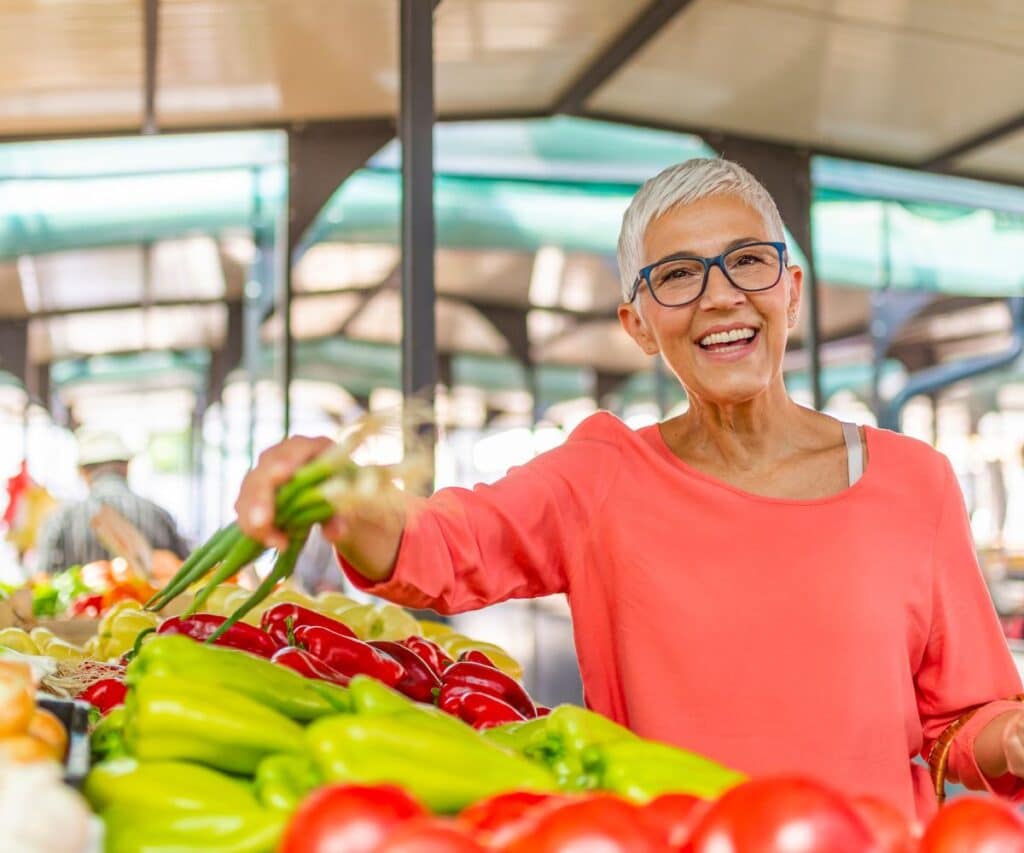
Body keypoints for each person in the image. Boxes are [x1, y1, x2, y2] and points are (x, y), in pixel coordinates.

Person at [236, 159, 1024, 819]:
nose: (720, 296)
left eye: (747, 261)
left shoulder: (912, 481)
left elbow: (958, 724)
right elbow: (442, 544)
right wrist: (338, 492)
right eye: (677, 276)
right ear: (638, 322)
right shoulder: (601, 477)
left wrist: (1012, 738)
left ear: (790, 286)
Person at [35, 429, 188, 574]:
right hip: (149, 602)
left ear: (83, 472)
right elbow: (187, 574)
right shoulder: (158, 515)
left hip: (81, 602)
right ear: (126, 467)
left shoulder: (61, 519)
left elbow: (44, 579)